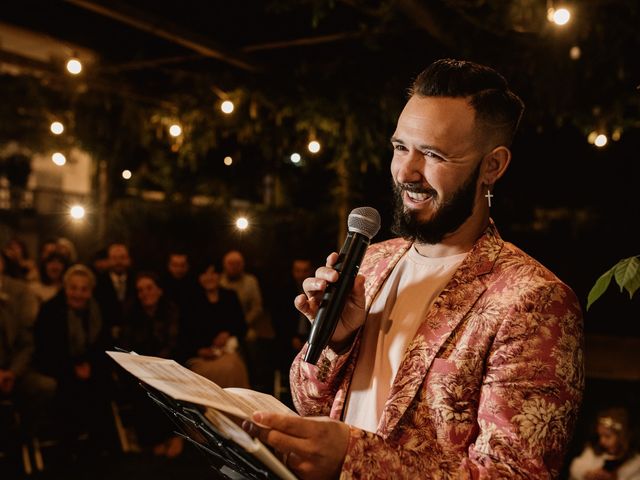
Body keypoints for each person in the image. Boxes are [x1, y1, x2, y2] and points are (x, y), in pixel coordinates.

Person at [243, 59, 584, 478]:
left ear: (492, 167)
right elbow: (309, 403)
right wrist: (335, 343)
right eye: (400, 147)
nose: (406, 171)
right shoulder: (374, 259)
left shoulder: (532, 299)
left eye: (434, 154)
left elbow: (512, 474)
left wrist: (352, 458)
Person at [33, 264, 116, 454]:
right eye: (73, 288)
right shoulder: (50, 310)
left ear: (91, 291)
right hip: (58, 364)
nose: (78, 294)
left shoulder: (98, 310)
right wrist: (72, 368)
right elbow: (45, 350)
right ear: (65, 288)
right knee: (69, 385)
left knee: (102, 380)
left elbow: (105, 345)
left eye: (84, 289)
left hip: (91, 364)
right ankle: (68, 444)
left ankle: (99, 444)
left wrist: (91, 366)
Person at [121, 272, 182, 458]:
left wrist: (156, 367)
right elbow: (126, 345)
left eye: (149, 288)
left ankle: (175, 436)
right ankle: (152, 439)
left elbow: (174, 343)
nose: (145, 293)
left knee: (167, 383)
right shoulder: (131, 313)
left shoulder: (171, 310)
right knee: (140, 386)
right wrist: (141, 368)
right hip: (139, 367)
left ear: (159, 290)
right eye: (140, 290)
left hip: (167, 363)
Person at [181, 261, 250, 389]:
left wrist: (227, 333)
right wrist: (200, 350)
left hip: (226, 352)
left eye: (213, 273)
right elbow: (184, 334)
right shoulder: (190, 300)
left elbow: (242, 326)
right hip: (200, 356)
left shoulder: (230, 296)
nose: (209, 277)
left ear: (219, 275)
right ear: (199, 277)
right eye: (205, 274)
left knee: (233, 366)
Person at [220, 250, 275, 392]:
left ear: (243, 265)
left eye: (237, 264)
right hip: (221, 326)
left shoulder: (250, 281)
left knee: (251, 340)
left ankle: (252, 378)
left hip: (245, 323)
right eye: (231, 263)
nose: (234, 267)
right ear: (224, 265)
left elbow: (257, 307)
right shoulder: (219, 282)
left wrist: (241, 324)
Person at [570, 407, 640, 480]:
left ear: (622, 437)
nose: (602, 441)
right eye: (600, 436)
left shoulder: (635, 462)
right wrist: (588, 474)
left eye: (607, 436)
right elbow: (576, 467)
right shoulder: (595, 452)